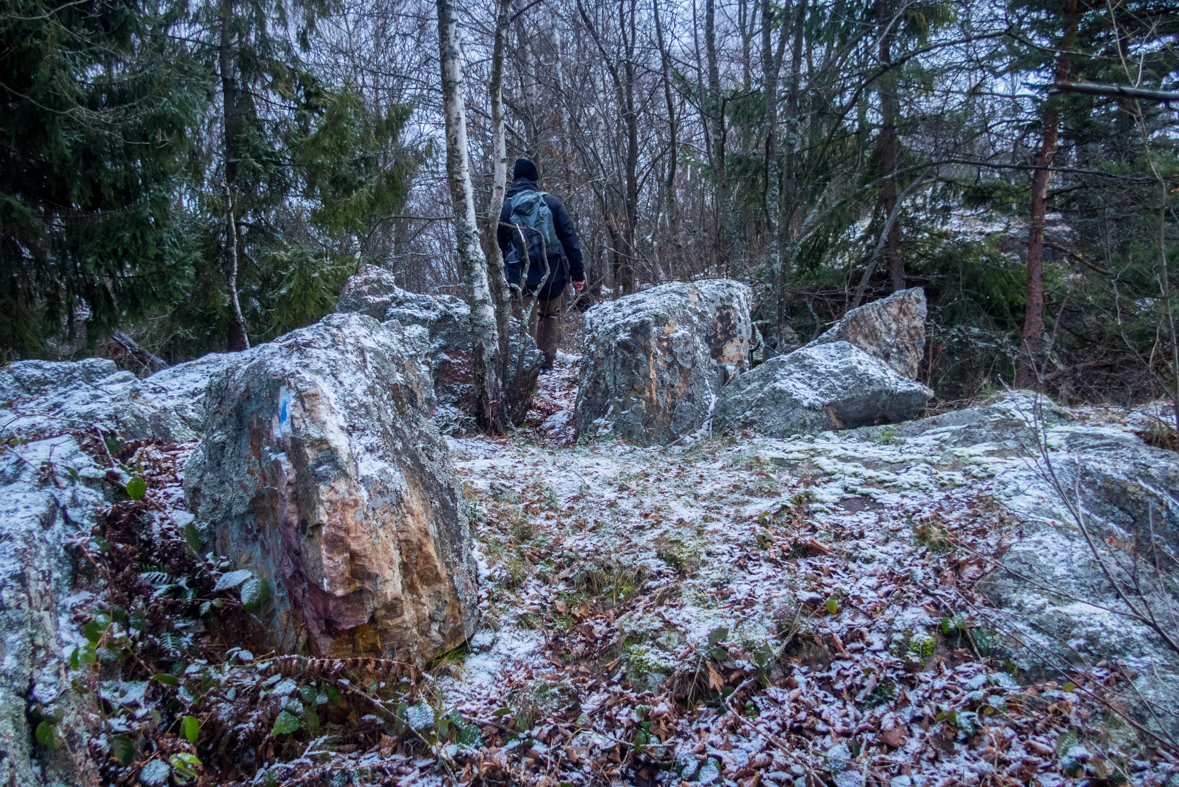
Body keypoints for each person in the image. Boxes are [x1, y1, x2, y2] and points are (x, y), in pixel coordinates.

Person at [496, 158, 585, 372]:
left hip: (520, 274)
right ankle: (546, 363)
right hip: (553, 270)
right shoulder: (551, 203)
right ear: (536, 179)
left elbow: (500, 243)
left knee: (523, 318)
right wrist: (577, 273)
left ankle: (524, 364)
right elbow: (569, 239)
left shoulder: (506, 207)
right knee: (549, 314)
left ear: (514, 179)